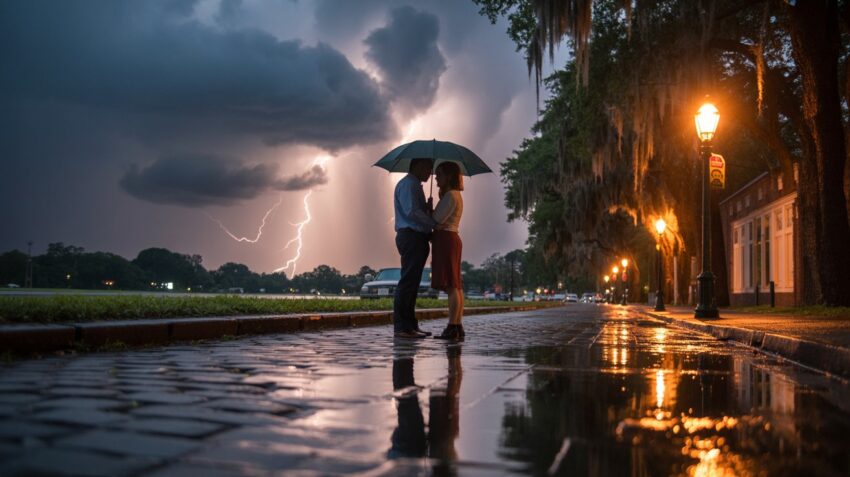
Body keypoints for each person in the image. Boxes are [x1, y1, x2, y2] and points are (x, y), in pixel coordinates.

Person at [392, 158, 436, 339]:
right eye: (428, 169)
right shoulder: (409, 185)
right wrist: (433, 222)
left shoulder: (414, 185)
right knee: (408, 282)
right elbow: (411, 212)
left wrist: (427, 209)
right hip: (411, 236)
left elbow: (415, 210)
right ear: (418, 166)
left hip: (416, 237)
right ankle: (402, 326)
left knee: (413, 283)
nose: (430, 174)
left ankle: (410, 324)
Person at [430, 162, 465, 341]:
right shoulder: (455, 195)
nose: (436, 179)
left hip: (446, 239)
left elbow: (436, 219)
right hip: (450, 238)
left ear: (448, 176)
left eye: (439, 175)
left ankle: (452, 326)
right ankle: (457, 325)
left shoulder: (450, 196)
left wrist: (429, 210)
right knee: (455, 285)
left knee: (452, 286)